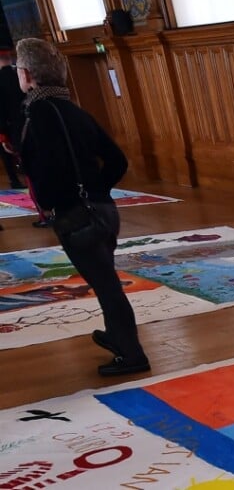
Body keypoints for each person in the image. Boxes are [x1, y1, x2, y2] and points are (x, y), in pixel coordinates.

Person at [16, 37, 149, 376]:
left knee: (107, 286)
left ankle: (132, 355)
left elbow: (46, 169)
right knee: (105, 281)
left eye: (18, 69)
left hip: (79, 218)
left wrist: (67, 201)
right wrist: (96, 191)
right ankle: (118, 337)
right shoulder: (74, 111)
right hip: (101, 211)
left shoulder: (41, 113)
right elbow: (116, 161)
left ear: (29, 74)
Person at [0, 46, 26, 190]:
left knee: (6, 154)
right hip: (24, 120)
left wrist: (2, 131)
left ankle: (14, 180)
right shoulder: (20, 74)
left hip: (7, 123)